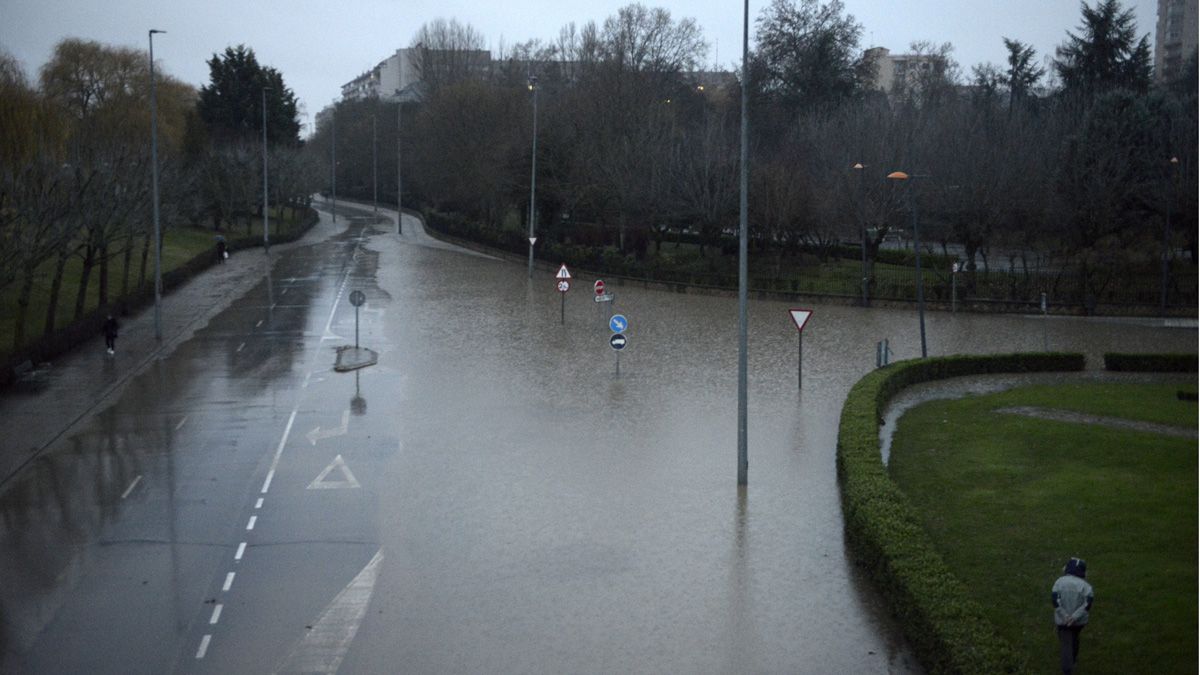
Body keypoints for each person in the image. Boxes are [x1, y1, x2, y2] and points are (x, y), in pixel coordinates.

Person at [1052, 557, 1094, 674]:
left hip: (1062, 620)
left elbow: (1056, 601)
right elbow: (1087, 605)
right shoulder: (1087, 587)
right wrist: (1074, 617)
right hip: (1079, 622)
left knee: (1065, 642)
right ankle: (1074, 658)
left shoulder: (1059, 582)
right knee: (1075, 636)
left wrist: (1065, 616)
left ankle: (1067, 669)